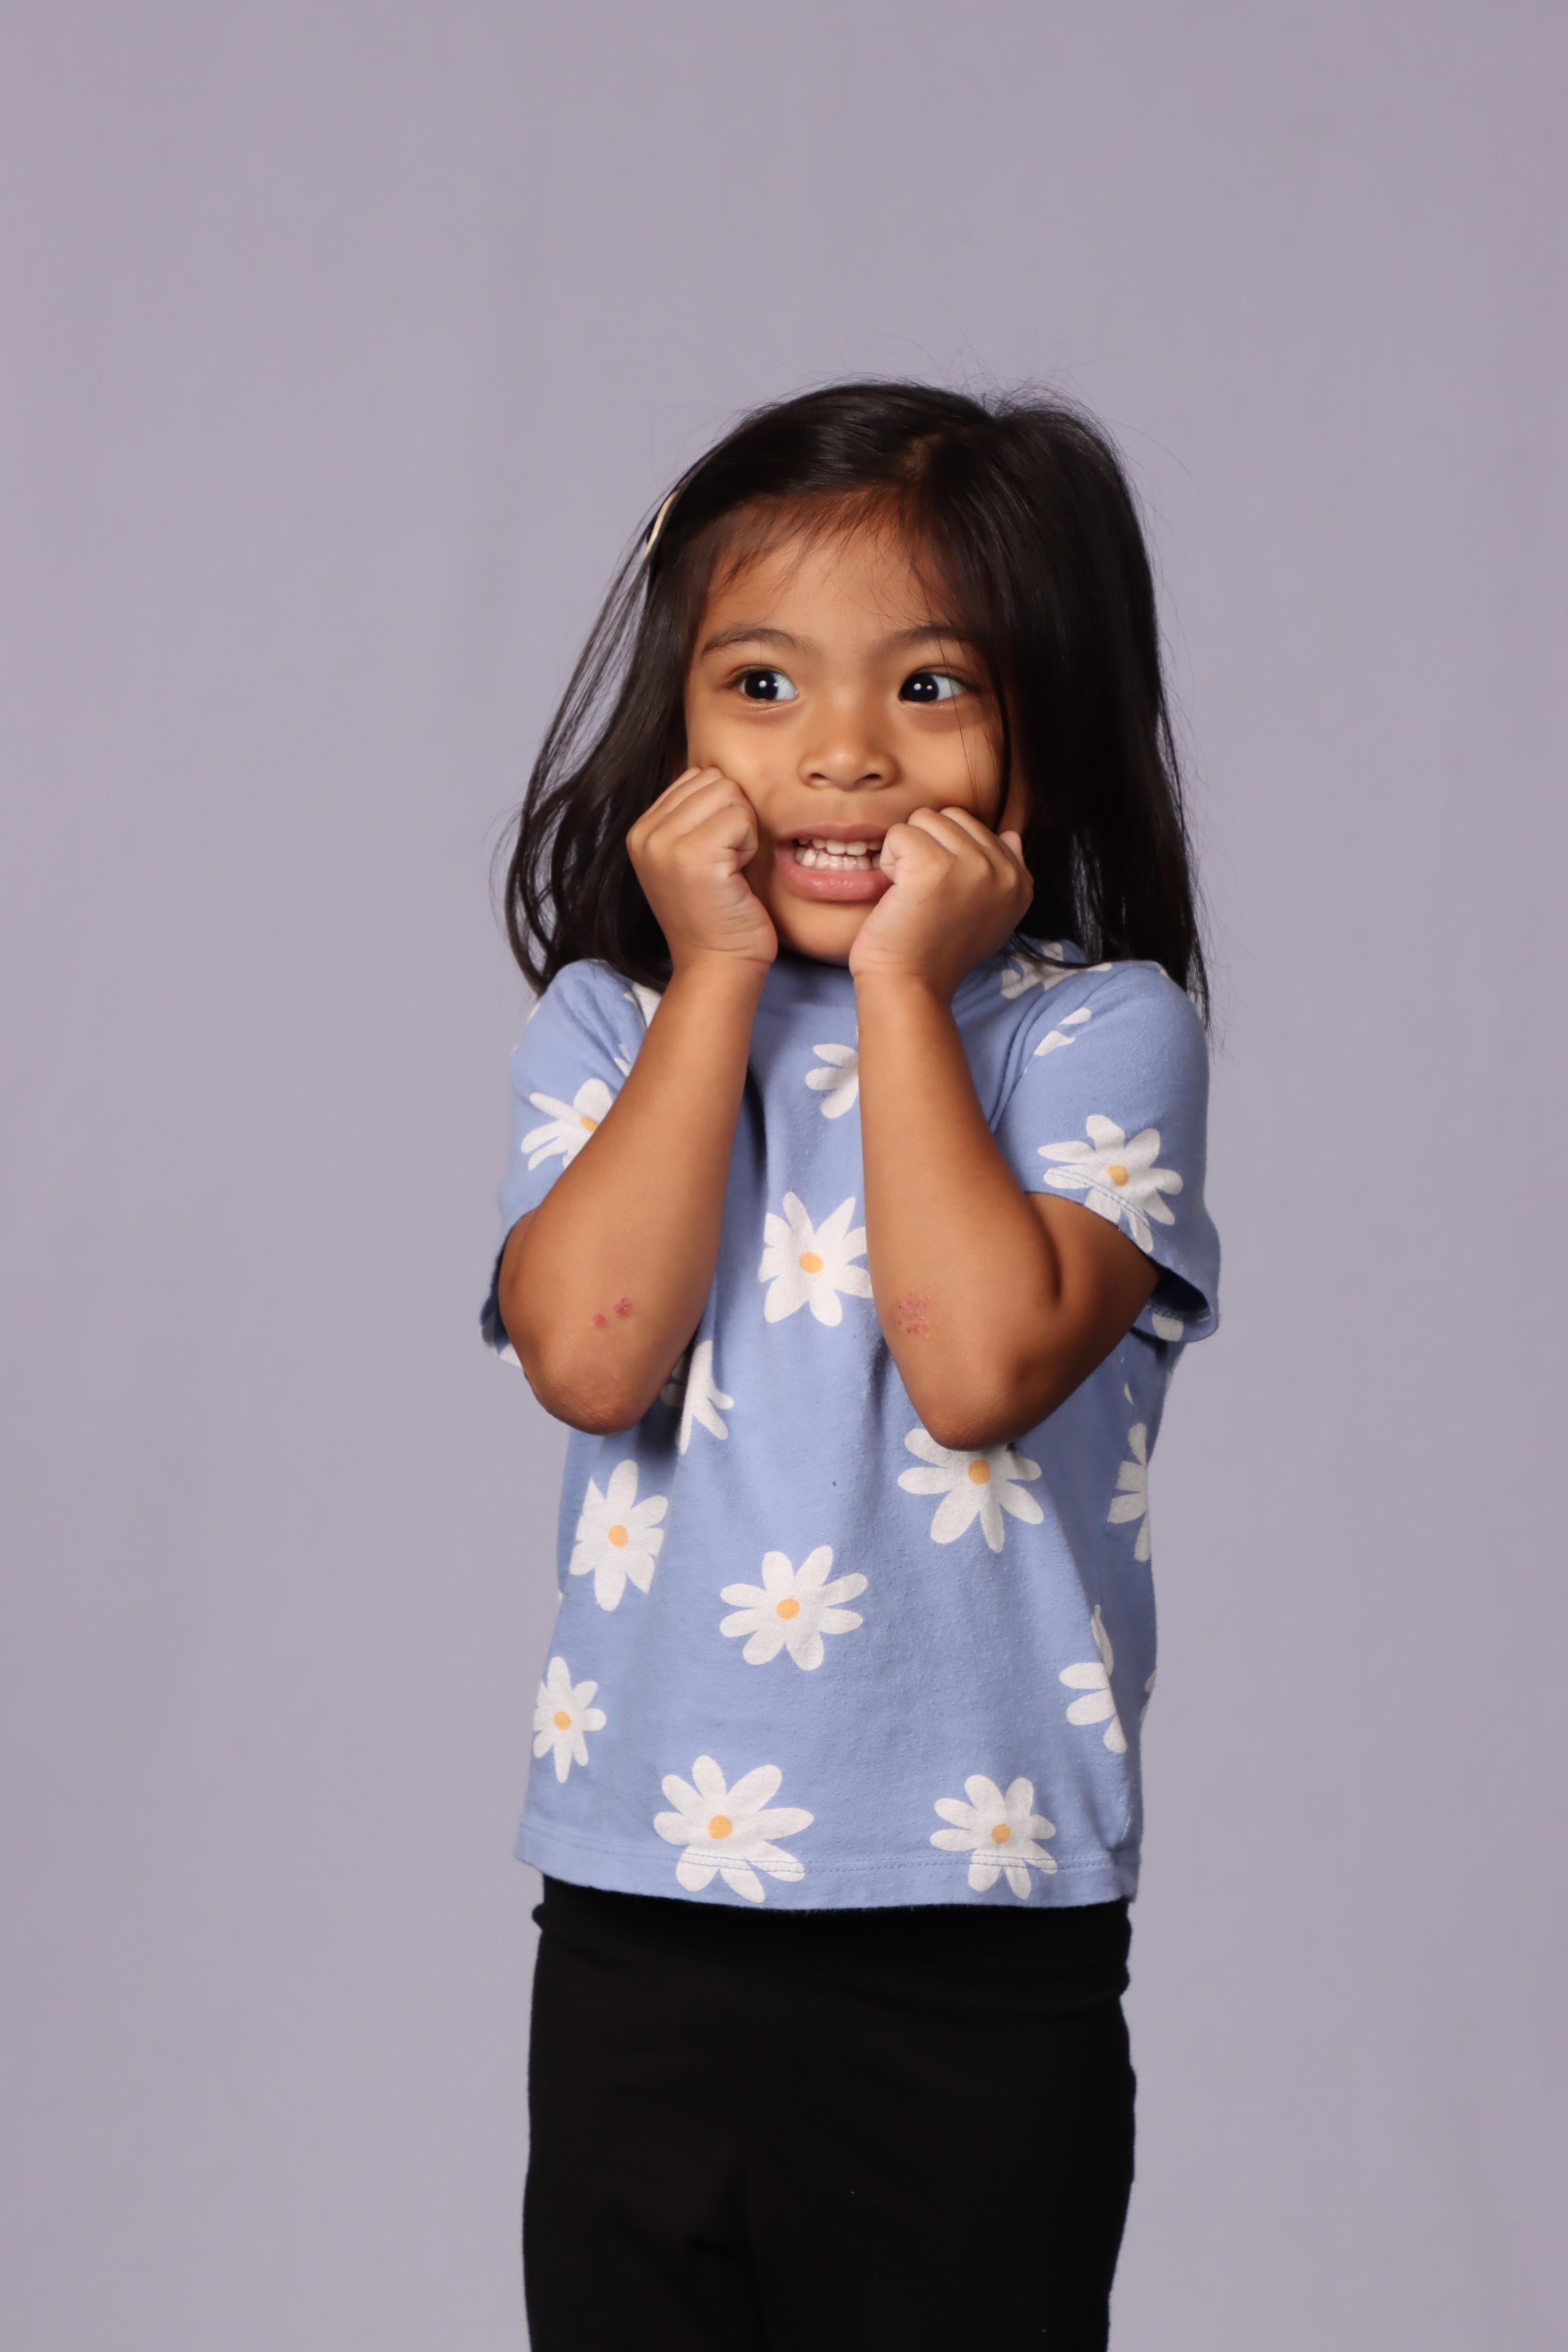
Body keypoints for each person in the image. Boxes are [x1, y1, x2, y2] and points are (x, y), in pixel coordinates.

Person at [482, 381, 1219, 2350]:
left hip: (973, 1944)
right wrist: (717, 979)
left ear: (1045, 732)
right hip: (641, 1911)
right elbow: (591, 1356)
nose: (839, 754)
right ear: (676, 725)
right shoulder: (614, 1027)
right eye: (760, 684)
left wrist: (902, 987)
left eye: (928, 686)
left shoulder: (1093, 1036)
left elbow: (977, 1366)